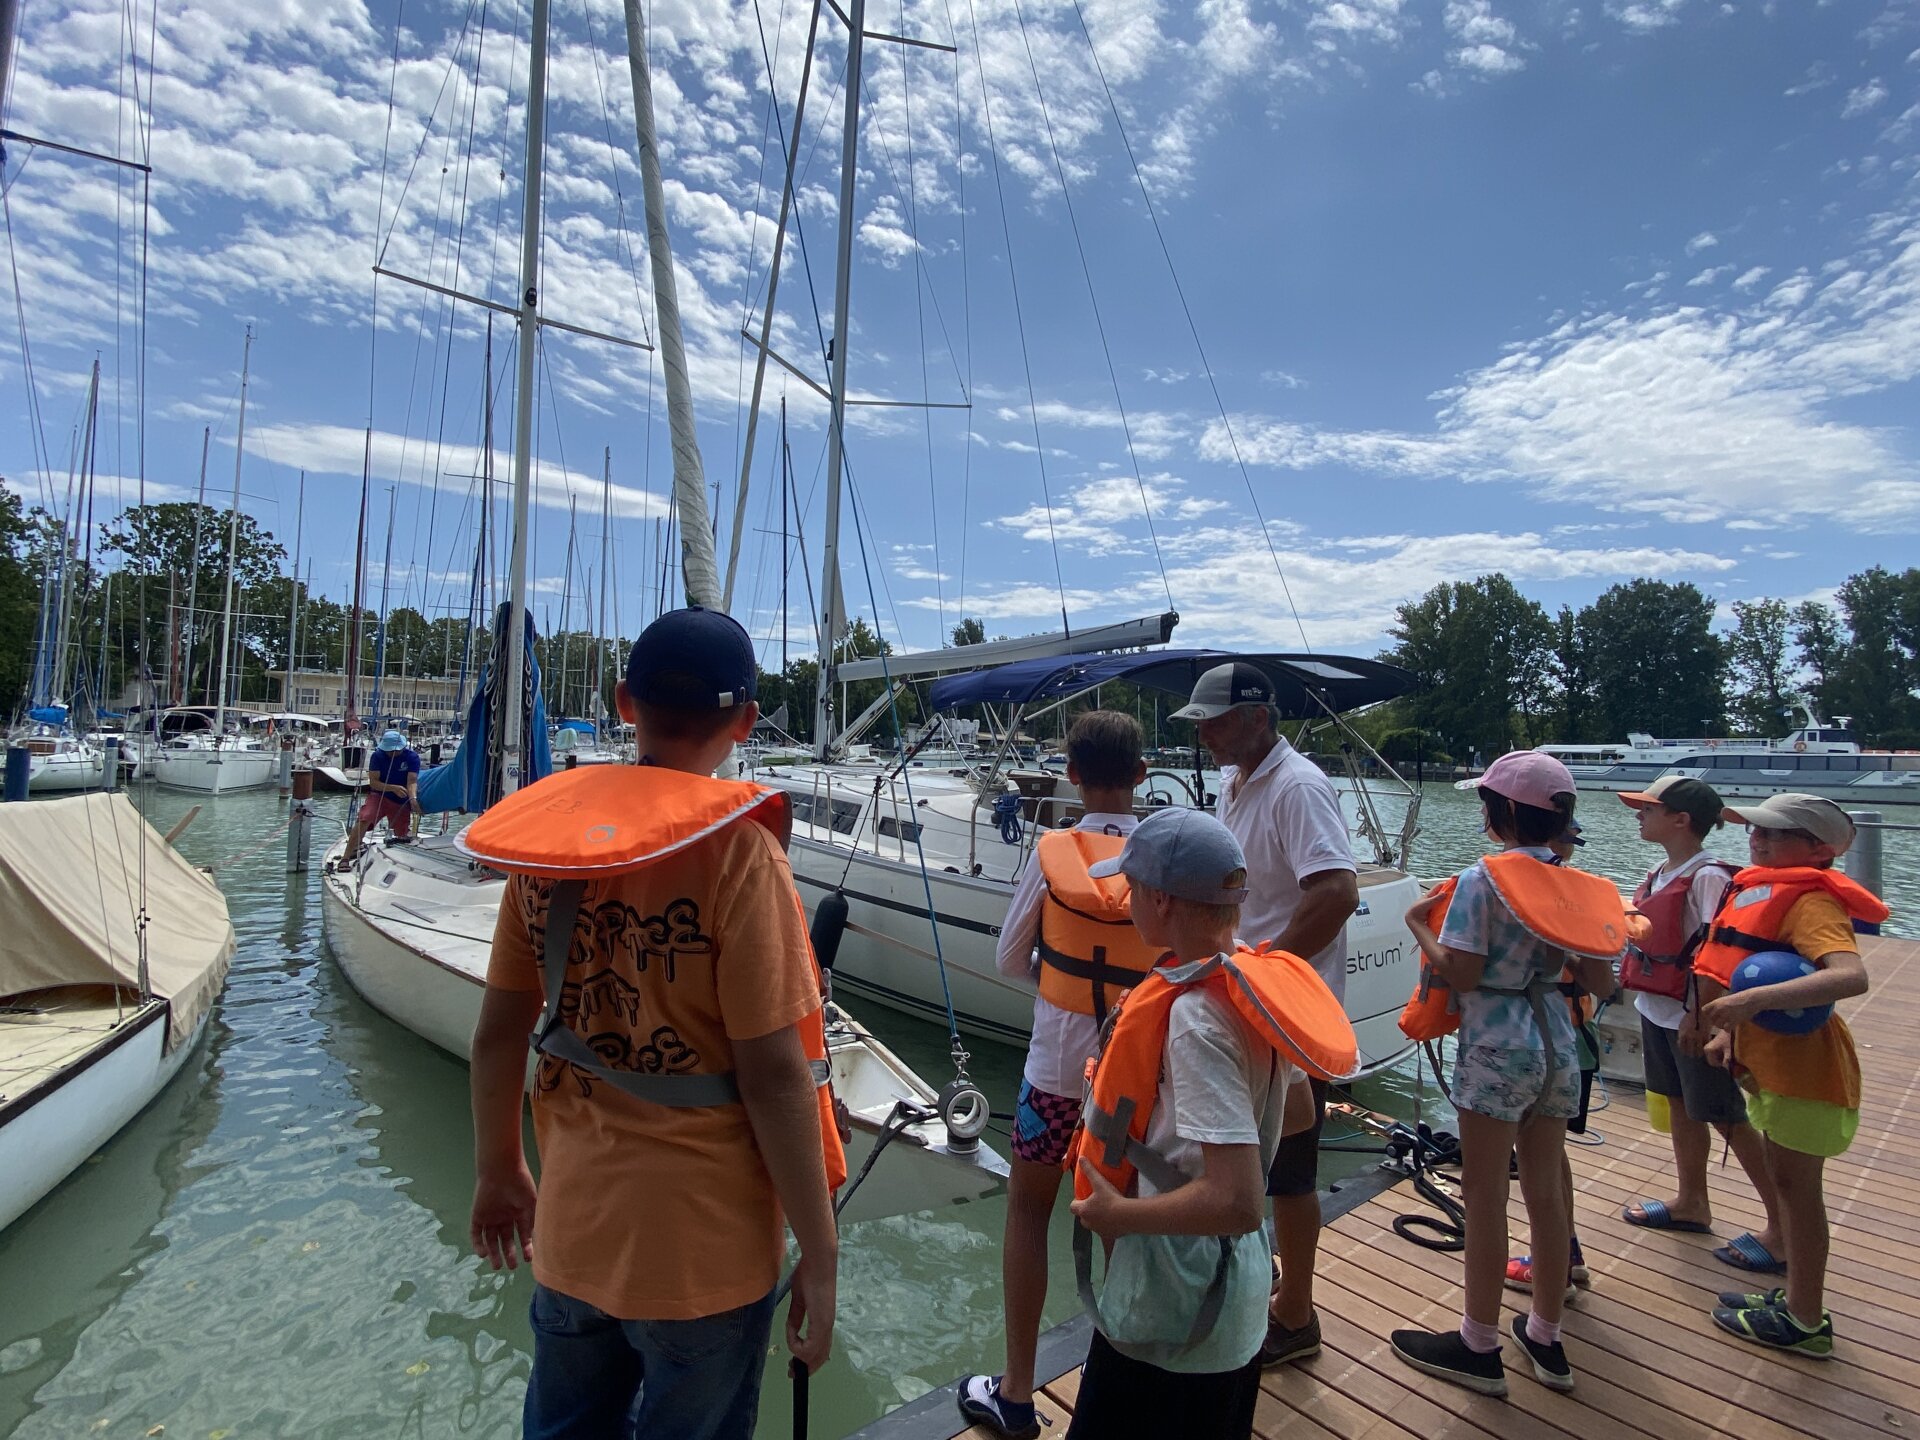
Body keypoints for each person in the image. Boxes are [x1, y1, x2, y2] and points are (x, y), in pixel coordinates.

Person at [467, 606, 841, 1440]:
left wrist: (498, 1169)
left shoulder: (551, 849)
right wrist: (820, 1256)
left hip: (572, 1232)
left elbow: (496, 1036)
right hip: (706, 1258)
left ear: (623, 702)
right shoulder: (740, 855)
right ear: (746, 722)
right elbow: (774, 1078)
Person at [1063, 807, 1349, 1438]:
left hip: (1177, 1302)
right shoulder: (1251, 981)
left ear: (1162, 901)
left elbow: (1238, 1201)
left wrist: (1118, 1215)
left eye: (1133, 887)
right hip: (1236, 1299)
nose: (1127, 899)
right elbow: (1299, 1116)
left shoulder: (1195, 1018)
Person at [1394, 752, 1621, 1396]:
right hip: (1558, 1045)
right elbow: (1602, 981)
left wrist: (1417, 924)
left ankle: (1478, 1345)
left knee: (1485, 1193)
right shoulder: (1576, 884)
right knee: (1547, 1193)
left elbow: (1463, 974)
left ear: (1500, 815)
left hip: (1497, 1044)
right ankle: (1546, 1336)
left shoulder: (1482, 880)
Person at [960, 712, 1152, 1440]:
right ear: (1141, 775)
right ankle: (1133, 1387)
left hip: (1053, 1079)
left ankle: (1015, 1392)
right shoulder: (1162, 859)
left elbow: (1010, 958)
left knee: (1027, 1215)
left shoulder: (1052, 855)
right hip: (1134, 1083)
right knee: (1123, 1222)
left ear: (1071, 775)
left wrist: (1061, 984)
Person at [1175, 661, 1358, 1366]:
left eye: (1215, 722)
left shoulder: (1297, 786)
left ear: (1257, 717)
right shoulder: (1237, 782)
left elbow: (1337, 892)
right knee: (1244, 1161)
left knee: (1292, 1175)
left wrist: (1264, 973)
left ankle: (1297, 1316)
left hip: (1286, 1015)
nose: (1205, 736)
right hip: (1248, 1010)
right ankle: (1259, 1281)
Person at [1693, 793, 1886, 1357]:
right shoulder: (1768, 891)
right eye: (1756, 830)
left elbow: (1849, 976)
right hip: (1773, 1069)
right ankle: (1798, 1296)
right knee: (1786, 1183)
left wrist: (1749, 1002)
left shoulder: (1812, 903)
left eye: (1775, 834)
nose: (1758, 839)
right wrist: (1730, 1035)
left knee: (1799, 1193)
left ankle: (1805, 1321)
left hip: (1807, 1075)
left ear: (1819, 849)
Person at [1607, 777, 1785, 1270]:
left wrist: (1701, 1016)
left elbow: (1719, 949)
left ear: (1681, 820)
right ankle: (1692, 1201)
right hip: (1656, 1009)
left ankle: (1784, 1226)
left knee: (1726, 1115)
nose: (1638, 816)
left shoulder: (1707, 876)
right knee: (1680, 1104)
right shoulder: (1660, 872)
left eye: (1648, 809)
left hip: (1691, 1015)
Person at [1503, 817, 1616, 1303]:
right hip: (1572, 1044)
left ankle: (1557, 1271)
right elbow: (1605, 981)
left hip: (1541, 1042)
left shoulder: (1526, 892)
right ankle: (1567, 1254)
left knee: (1541, 1168)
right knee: (1553, 1159)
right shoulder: (1582, 894)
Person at [342, 729, 419, 861]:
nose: (392, 753)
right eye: (389, 750)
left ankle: (400, 860)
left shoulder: (412, 757)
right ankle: (345, 857)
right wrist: (392, 788)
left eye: (395, 750)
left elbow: (412, 781)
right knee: (365, 818)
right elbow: (374, 783)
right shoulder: (377, 756)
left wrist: (413, 799)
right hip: (379, 795)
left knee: (401, 834)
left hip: (400, 799)